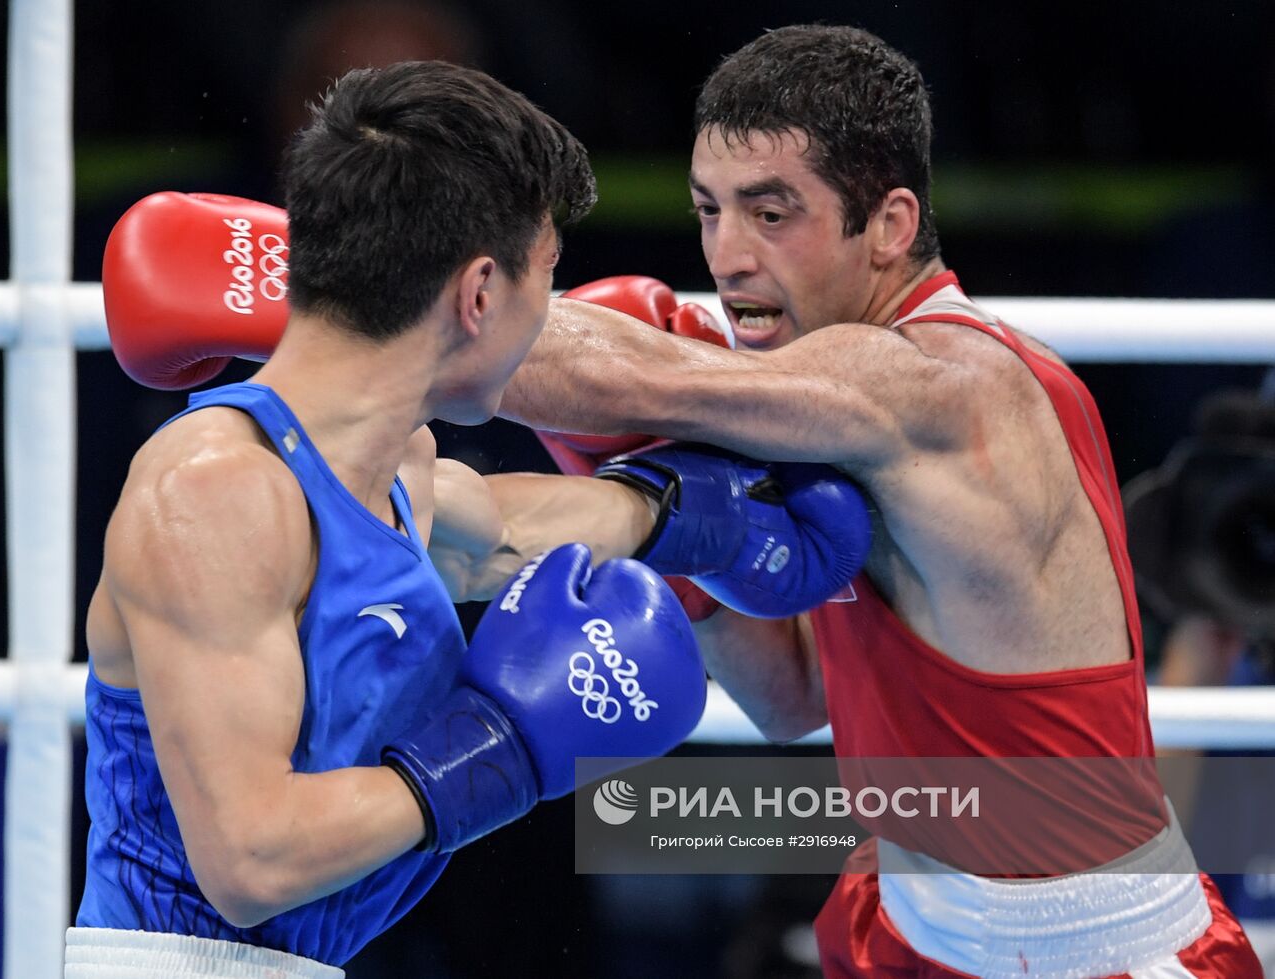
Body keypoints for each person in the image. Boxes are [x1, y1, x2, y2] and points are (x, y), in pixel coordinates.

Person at [490, 25, 1263, 978]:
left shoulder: (944, 384)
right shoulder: (835, 418)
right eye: (708, 211)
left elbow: (578, 369)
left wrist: (306, 293)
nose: (726, 257)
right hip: (911, 920)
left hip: (1089, 948)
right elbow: (792, 698)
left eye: (771, 214)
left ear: (891, 224)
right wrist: (688, 538)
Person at [74, 60, 873, 977]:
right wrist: (500, 745)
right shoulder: (216, 493)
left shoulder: (393, 467)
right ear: (480, 293)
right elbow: (251, 859)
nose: (548, 324)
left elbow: (490, 534)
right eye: (547, 280)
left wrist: (687, 512)